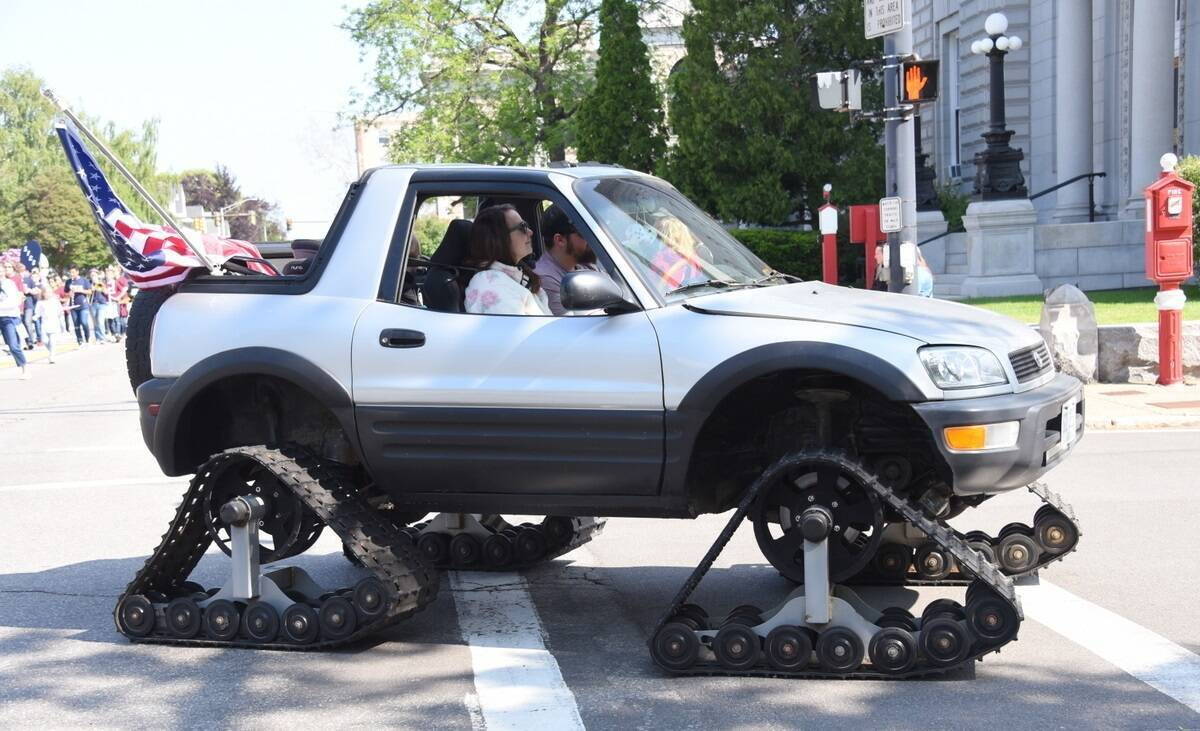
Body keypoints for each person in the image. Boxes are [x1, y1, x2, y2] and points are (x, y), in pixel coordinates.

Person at [463, 205, 551, 316]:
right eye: (522, 227)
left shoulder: (513, 275)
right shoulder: (493, 287)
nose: (530, 232)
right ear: (498, 239)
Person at [533, 204, 602, 315]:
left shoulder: (585, 265)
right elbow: (573, 323)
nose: (591, 239)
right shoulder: (544, 279)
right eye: (583, 233)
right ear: (560, 240)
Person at [650, 216, 704, 289]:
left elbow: (651, 283)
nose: (654, 237)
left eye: (658, 235)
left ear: (666, 238)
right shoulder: (693, 259)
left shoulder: (662, 259)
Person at [0, 261, 30, 378]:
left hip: (9, 317)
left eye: (1, 270)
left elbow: (14, 302)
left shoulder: (9, 284)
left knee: (13, 346)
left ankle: (24, 368)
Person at [36, 272, 64, 364]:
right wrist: (35, 317)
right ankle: (51, 351)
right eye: (46, 292)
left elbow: (60, 310)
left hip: (54, 322)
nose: (48, 294)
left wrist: (60, 315)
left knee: (52, 341)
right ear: (43, 294)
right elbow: (37, 312)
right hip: (44, 324)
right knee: (45, 341)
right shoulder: (40, 302)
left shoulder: (55, 301)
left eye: (49, 292)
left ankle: (52, 356)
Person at [66, 266, 92, 345]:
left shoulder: (84, 280)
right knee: (76, 324)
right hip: (73, 306)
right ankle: (79, 339)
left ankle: (87, 337)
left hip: (83, 305)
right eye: (70, 272)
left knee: (84, 322)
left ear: (77, 272)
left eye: (73, 272)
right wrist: (69, 294)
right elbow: (65, 292)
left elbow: (90, 291)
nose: (71, 274)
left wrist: (81, 290)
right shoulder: (68, 281)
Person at [89, 268, 111, 343]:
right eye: (92, 275)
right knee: (95, 322)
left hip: (101, 304)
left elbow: (106, 292)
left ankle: (103, 338)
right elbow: (89, 292)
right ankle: (98, 338)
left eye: (94, 274)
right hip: (92, 304)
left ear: (97, 275)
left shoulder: (102, 282)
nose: (93, 276)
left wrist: (98, 285)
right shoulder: (89, 283)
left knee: (100, 321)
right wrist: (91, 288)